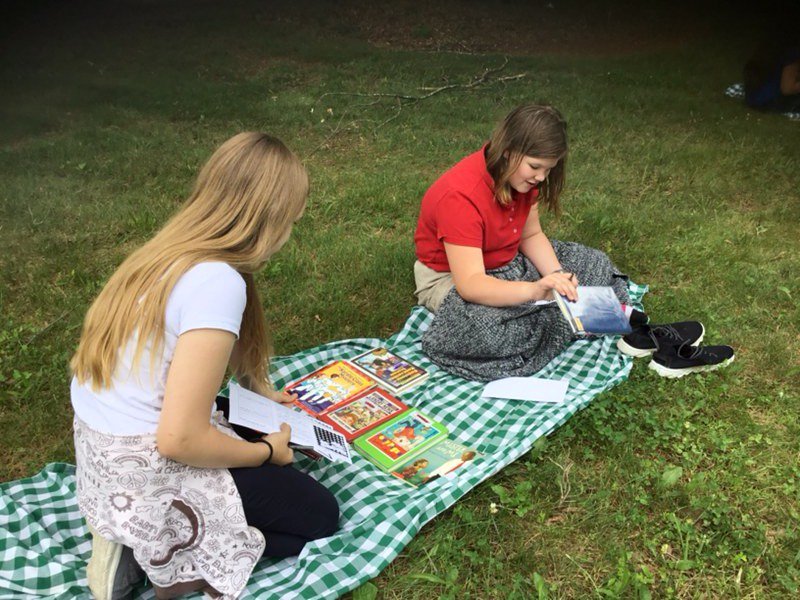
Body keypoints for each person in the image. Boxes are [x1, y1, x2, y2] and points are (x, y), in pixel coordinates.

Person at [70, 133, 339, 600]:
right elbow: (180, 438)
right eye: (290, 223)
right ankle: (156, 547)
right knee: (317, 517)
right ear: (267, 220)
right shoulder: (217, 282)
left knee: (256, 446)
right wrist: (265, 454)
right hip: (147, 465)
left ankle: (146, 531)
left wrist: (260, 392)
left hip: (102, 453)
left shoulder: (170, 251)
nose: (289, 236)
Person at [414, 104, 734, 381]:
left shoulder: (519, 178)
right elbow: (471, 285)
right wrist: (536, 289)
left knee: (589, 262)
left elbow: (530, 235)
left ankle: (588, 317)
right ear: (507, 151)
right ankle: (594, 319)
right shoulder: (460, 196)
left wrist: (558, 276)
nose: (540, 177)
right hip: (452, 279)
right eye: (535, 167)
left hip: (504, 262)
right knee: (488, 328)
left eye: (548, 169)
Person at [743, 24, 800, 113]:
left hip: (753, 97)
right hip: (769, 102)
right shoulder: (792, 54)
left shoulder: (769, 48)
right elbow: (787, 89)